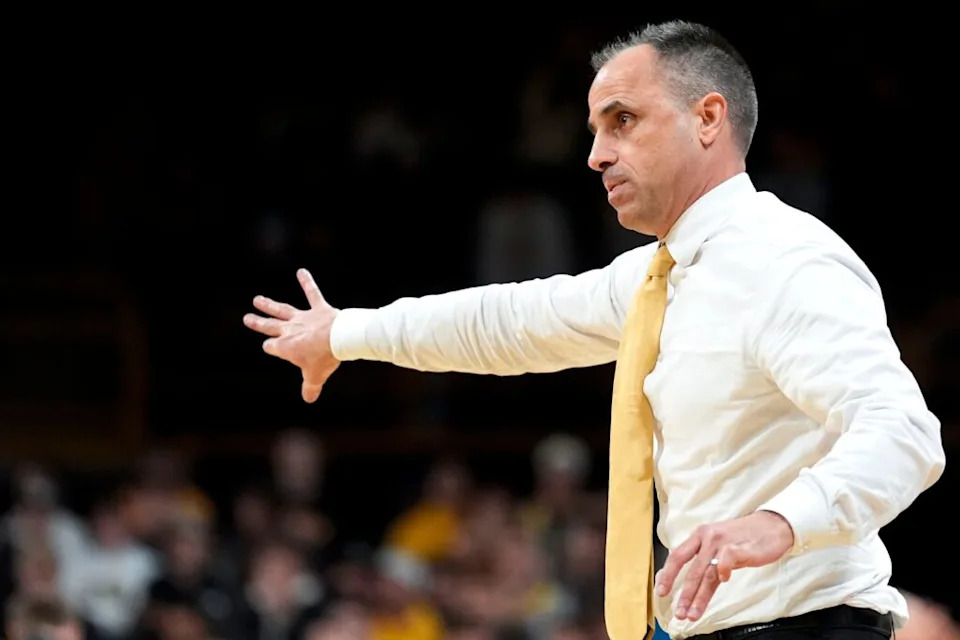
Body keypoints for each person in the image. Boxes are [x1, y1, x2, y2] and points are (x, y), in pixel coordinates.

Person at [243, 19, 946, 640]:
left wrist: (782, 521)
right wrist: (348, 333)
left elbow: (902, 431)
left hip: (808, 627)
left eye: (623, 121)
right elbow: (507, 323)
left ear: (707, 118)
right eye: (595, 131)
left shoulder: (785, 258)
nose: (596, 156)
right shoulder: (653, 278)